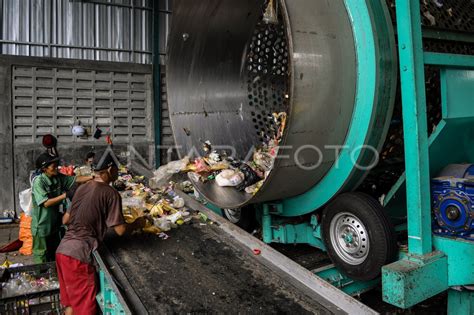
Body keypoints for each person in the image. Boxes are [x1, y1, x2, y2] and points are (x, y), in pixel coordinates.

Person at [56, 152, 147, 315]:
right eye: (117, 170)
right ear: (110, 170)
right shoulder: (110, 193)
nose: (117, 173)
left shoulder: (82, 187)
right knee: (85, 309)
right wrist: (137, 223)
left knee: (71, 304)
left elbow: (66, 219)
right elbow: (120, 230)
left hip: (63, 251)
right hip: (79, 256)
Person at [31, 152, 93, 263]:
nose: (56, 167)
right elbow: (45, 203)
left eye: (56, 164)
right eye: (53, 166)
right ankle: (41, 277)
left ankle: (54, 274)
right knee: (41, 253)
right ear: (45, 169)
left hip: (54, 222)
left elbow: (75, 179)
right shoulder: (39, 182)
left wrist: (92, 177)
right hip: (42, 224)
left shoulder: (58, 177)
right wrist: (65, 195)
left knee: (54, 250)